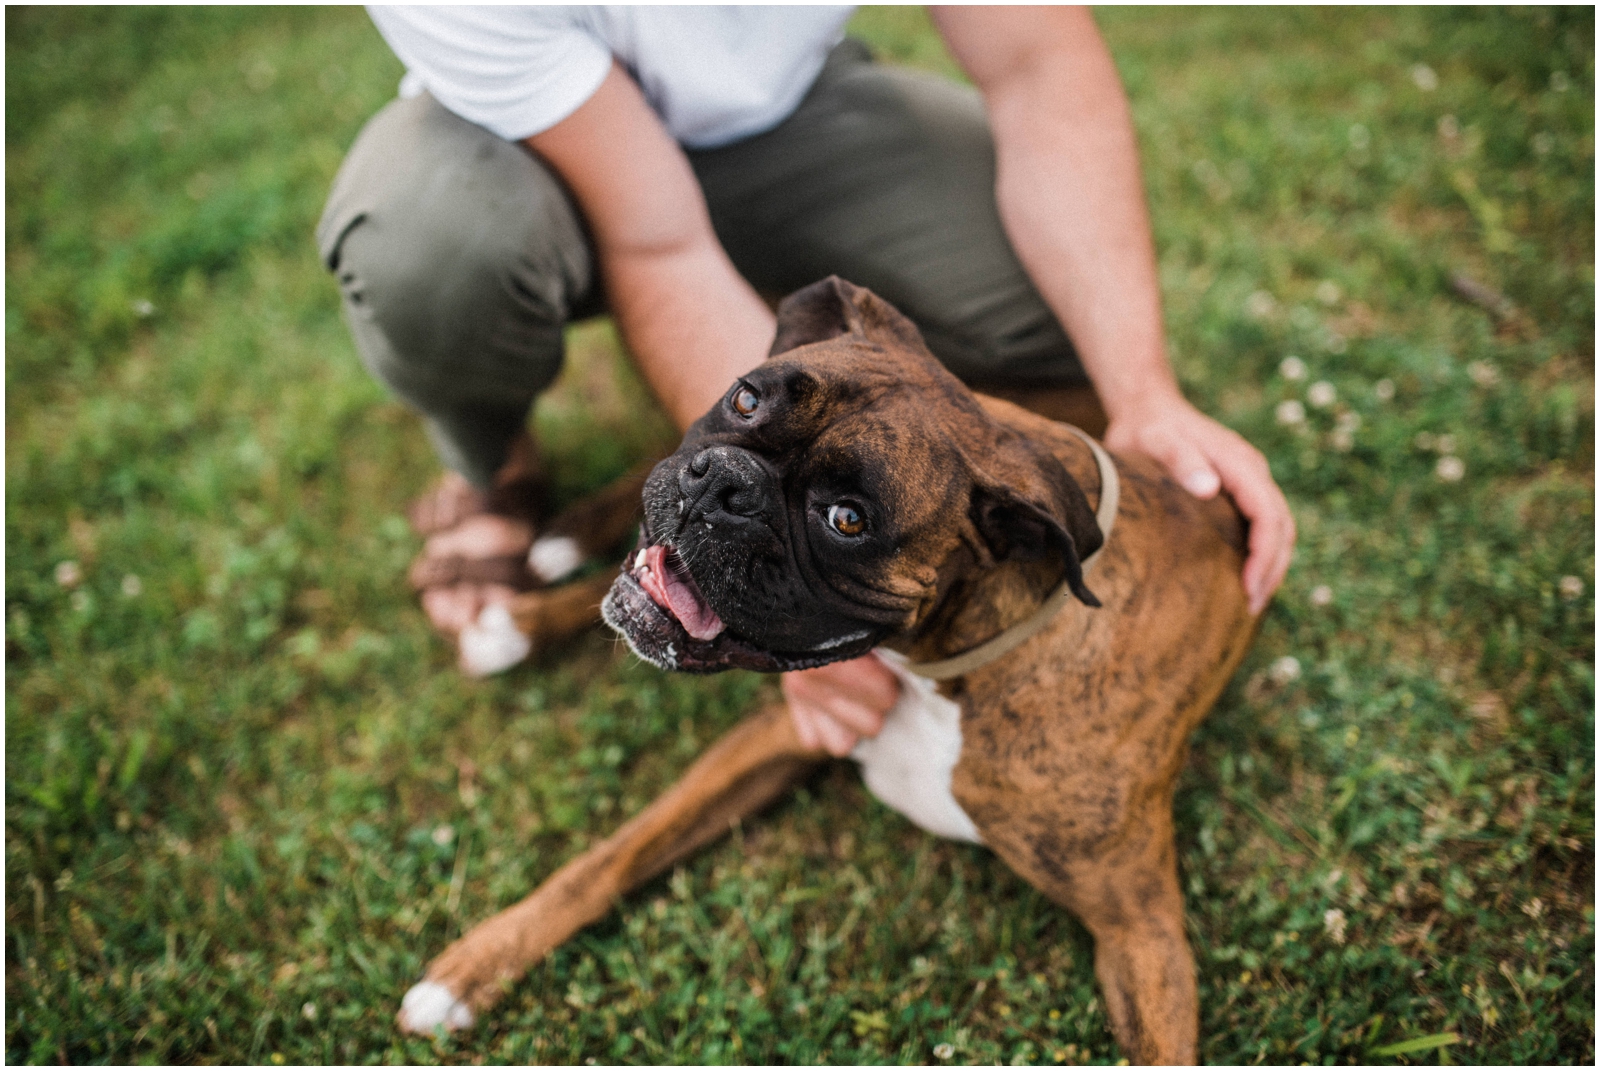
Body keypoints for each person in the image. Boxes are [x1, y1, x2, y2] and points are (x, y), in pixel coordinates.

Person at [317, 6, 1295, 758]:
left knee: (1054, 312)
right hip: (517, 142)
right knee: (435, 255)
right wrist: (762, 592)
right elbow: (658, 240)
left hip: (780, 112)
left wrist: (1144, 390)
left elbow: (1041, 66)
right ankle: (495, 466)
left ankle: (769, 313)